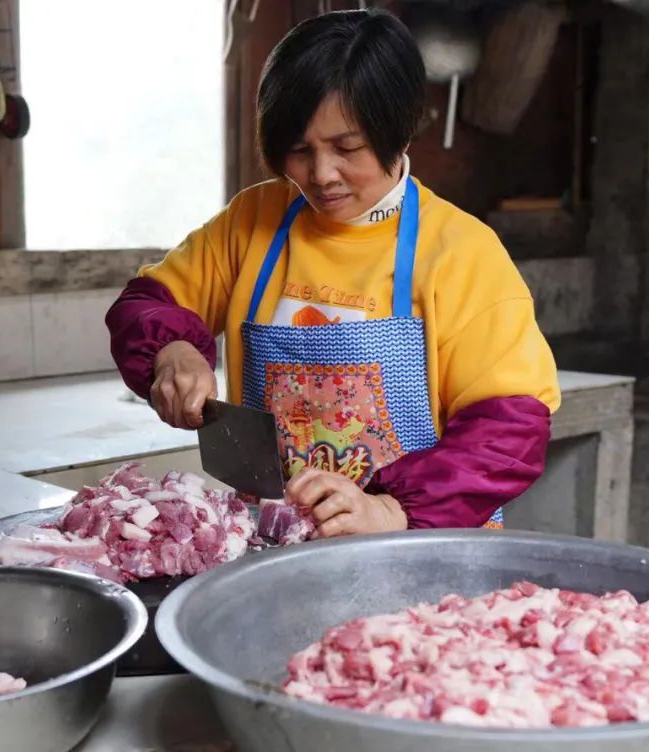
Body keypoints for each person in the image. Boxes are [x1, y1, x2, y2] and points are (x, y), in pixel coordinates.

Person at [105, 8, 559, 538]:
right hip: (273, 542)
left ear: (402, 129)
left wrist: (390, 511)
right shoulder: (252, 222)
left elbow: (510, 430)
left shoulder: (463, 252)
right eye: (299, 151)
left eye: (348, 148)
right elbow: (148, 302)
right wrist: (173, 352)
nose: (321, 176)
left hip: (422, 551)